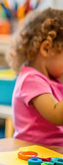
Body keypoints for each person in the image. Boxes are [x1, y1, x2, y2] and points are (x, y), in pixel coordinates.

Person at [7, 8, 63, 146]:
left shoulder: (53, 79)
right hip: (34, 156)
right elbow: (56, 115)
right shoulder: (31, 79)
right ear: (46, 48)